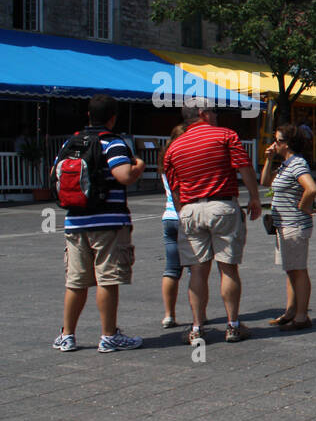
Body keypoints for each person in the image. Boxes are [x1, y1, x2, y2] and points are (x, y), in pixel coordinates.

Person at [51, 95, 146, 353]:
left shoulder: (71, 142)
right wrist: (138, 165)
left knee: (76, 281)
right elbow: (123, 175)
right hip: (108, 223)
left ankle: (67, 335)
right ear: (112, 117)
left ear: (88, 115)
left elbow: (53, 175)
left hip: (75, 221)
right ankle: (108, 335)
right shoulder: (113, 142)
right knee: (107, 279)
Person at [162, 104, 262, 345]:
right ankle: (233, 325)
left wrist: (181, 210)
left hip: (190, 209)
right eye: (214, 111)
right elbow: (243, 166)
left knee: (197, 270)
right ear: (202, 114)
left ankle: (197, 327)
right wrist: (254, 197)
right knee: (228, 267)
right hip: (221, 205)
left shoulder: (173, 147)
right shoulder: (226, 135)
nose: (217, 115)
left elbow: (173, 185)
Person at [260, 124, 316, 330]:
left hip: (294, 224)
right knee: (291, 269)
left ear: (287, 144)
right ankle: (291, 311)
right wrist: (268, 159)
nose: (274, 144)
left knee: (298, 270)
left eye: (278, 140)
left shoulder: (297, 163)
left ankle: (301, 317)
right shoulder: (286, 164)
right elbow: (266, 182)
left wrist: (304, 206)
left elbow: (311, 188)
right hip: (283, 226)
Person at [160, 124, 187, 328]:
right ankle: (198, 315)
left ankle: (169, 314)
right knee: (196, 270)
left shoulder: (165, 162)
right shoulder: (187, 161)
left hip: (169, 216)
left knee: (171, 269)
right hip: (186, 216)